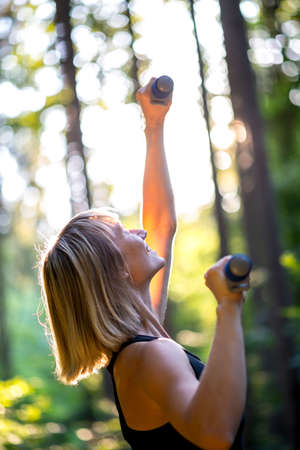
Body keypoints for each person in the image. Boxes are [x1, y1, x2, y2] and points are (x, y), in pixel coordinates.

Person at [39, 78, 248, 450]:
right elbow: (215, 434)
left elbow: (161, 223)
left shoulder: (135, 346)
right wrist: (227, 308)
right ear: (117, 272)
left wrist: (154, 126)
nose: (140, 231)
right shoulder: (151, 353)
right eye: (123, 233)